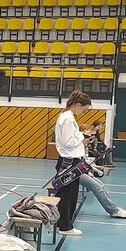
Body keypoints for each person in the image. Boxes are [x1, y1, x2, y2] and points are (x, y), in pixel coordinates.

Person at [53, 90, 93, 236]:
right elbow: (68, 142)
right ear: (77, 104)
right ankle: (65, 227)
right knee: (68, 196)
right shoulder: (68, 118)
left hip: (69, 160)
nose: (84, 112)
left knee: (66, 194)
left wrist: (80, 135)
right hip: (69, 161)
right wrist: (82, 136)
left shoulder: (67, 116)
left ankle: (62, 223)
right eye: (84, 109)